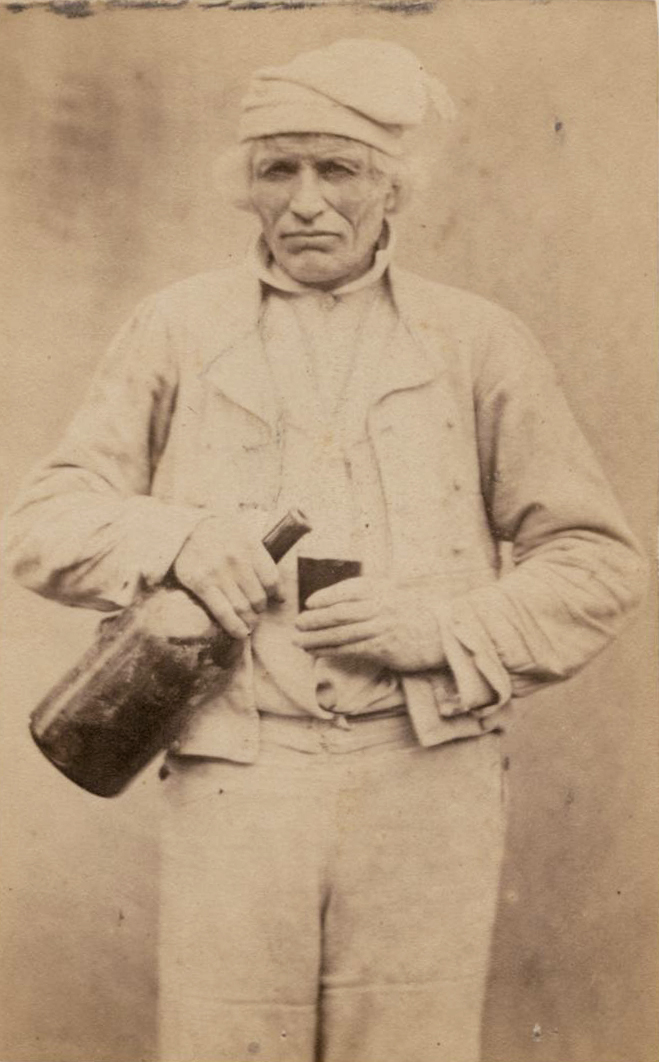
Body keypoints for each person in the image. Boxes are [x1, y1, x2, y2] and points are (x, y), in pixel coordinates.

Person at [4, 38, 646, 1062]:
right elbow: (42, 524)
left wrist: (443, 625)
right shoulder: (176, 328)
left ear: (392, 188)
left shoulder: (475, 343)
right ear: (245, 189)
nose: (305, 201)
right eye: (277, 169)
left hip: (423, 776)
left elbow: (595, 561)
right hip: (236, 773)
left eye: (336, 169)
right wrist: (179, 537)